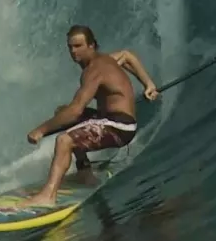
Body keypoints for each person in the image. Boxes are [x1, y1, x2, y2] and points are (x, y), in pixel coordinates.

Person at [18, 24, 159, 208]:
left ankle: (48, 196)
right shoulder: (105, 59)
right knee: (62, 112)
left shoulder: (95, 70)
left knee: (64, 140)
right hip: (108, 118)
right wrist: (149, 84)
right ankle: (85, 173)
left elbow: (76, 110)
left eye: (78, 46)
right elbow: (127, 56)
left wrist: (41, 130)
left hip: (120, 126)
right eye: (70, 47)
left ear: (91, 45)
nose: (73, 51)